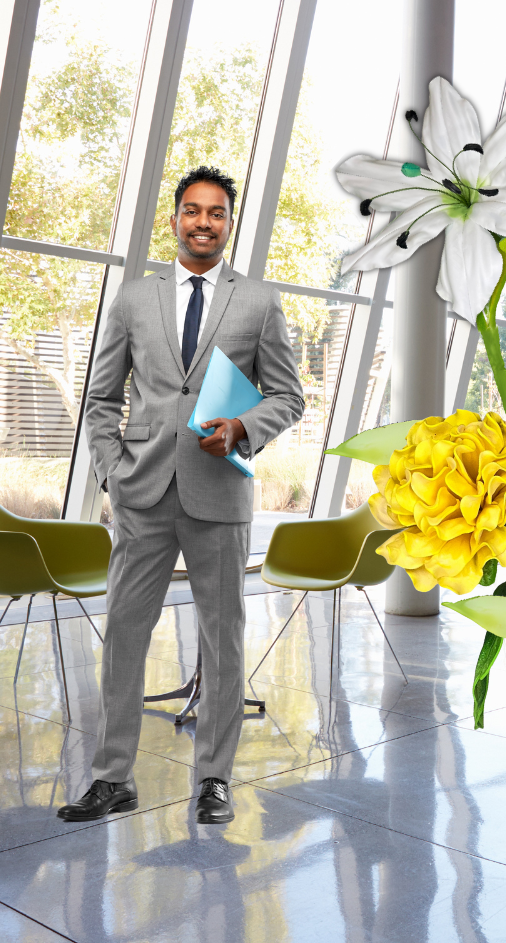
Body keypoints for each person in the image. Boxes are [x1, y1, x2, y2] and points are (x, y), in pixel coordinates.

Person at [58, 165, 304, 825]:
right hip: (141, 492)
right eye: (192, 211)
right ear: (173, 219)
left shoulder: (257, 302)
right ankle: (113, 778)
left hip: (219, 494)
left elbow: (289, 395)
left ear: (229, 224)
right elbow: (102, 398)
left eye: (216, 213)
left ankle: (213, 780)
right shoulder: (134, 299)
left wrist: (246, 427)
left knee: (222, 642)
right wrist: (113, 472)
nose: (203, 222)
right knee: (124, 638)